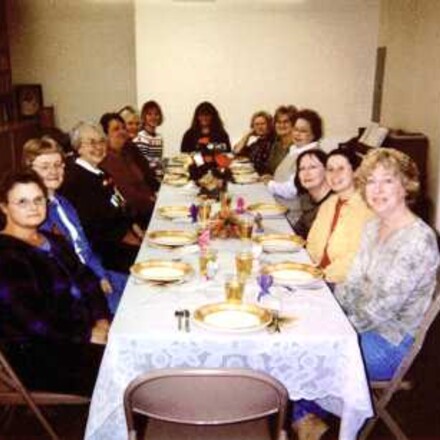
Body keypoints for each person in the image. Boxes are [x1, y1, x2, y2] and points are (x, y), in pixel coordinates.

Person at [294, 148, 440, 440]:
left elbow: (379, 312)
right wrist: (323, 316)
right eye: (370, 181)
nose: (377, 189)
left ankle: (311, 425)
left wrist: (328, 329)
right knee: (295, 332)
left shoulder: (418, 240)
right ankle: (307, 420)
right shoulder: (373, 226)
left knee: (302, 352)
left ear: (406, 186)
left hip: (390, 342)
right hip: (357, 325)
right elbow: (351, 285)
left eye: (388, 181)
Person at [0, 170, 110, 396]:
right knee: (127, 371)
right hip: (40, 355)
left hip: (82, 332)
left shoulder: (54, 240)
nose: (33, 207)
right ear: (4, 207)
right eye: (22, 202)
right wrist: (87, 334)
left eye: (38, 200)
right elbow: (33, 321)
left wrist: (101, 319)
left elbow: (89, 281)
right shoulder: (6, 255)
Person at [22, 136, 127, 314]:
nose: (53, 171)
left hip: (93, 273)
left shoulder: (64, 203)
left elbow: (85, 249)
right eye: (45, 167)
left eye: (58, 165)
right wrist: (92, 284)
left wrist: (100, 275)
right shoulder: (35, 216)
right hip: (76, 291)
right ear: (30, 170)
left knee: (143, 286)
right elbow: (55, 274)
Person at [60, 122, 142, 273]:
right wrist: (128, 237)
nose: (99, 147)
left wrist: (134, 227)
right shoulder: (76, 179)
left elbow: (119, 204)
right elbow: (94, 227)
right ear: (78, 147)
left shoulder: (101, 172)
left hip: (121, 239)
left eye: (101, 141)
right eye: (92, 142)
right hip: (105, 252)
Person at [306, 148, 373, 283]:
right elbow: (312, 243)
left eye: (341, 169)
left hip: (341, 283)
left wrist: (322, 277)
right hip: (316, 275)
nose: (334, 175)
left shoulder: (367, 210)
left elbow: (355, 260)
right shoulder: (328, 204)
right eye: (330, 169)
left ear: (355, 172)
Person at [100, 112, 159, 228]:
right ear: (105, 135)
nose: (122, 131)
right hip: (135, 217)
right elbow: (127, 194)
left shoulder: (125, 153)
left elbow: (143, 180)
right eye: (116, 129)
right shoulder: (107, 159)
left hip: (147, 206)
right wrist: (153, 202)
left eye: (123, 128)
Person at [290, 149, 331, 238]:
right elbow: (297, 232)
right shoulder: (307, 199)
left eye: (313, 167)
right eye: (302, 169)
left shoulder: (334, 204)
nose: (306, 173)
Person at [232, 111, 274, 175]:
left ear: (269, 125)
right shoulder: (256, 144)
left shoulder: (273, 142)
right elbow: (236, 151)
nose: (260, 127)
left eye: (262, 124)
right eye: (256, 124)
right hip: (253, 175)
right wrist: (247, 135)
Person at [133, 100, 164, 180]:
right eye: (149, 114)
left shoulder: (159, 137)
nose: (153, 117)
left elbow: (158, 160)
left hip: (159, 176)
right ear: (144, 117)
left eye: (156, 114)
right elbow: (143, 166)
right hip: (149, 179)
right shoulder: (140, 138)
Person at [264, 105, 297, 175]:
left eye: (286, 122)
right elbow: (270, 169)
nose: (282, 125)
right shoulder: (276, 145)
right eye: (278, 122)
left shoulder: (297, 146)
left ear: (293, 124)